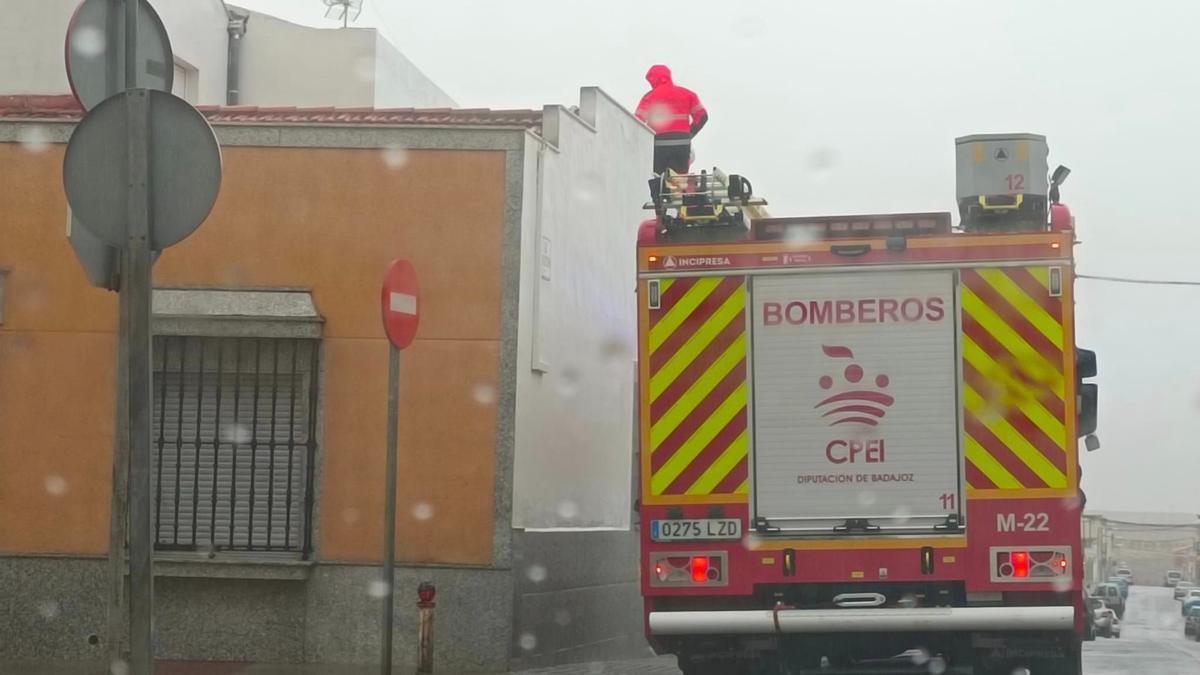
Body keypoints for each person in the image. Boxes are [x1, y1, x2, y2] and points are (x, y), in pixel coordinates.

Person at [635, 65, 708, 175]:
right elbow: (702, 117)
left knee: (658, 182)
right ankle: (678, 190)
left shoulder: (649, 97)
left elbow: (637, 121)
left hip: (659, 145)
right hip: (682, 144)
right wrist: (689, 134)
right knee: (678, 182)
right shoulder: (688, 94)